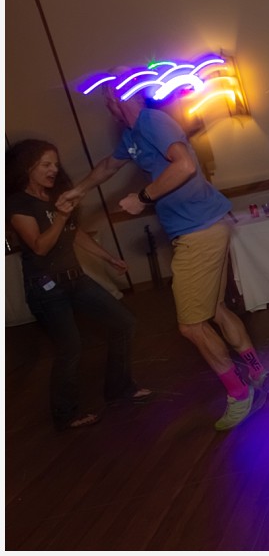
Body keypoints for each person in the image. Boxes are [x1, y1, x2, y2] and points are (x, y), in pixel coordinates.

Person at [59, 87, 269, 431]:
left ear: (121, 98)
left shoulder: (154, 122)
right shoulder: (132, 134)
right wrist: (78, 190)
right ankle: (258, 372)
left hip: (198, 233)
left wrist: (143, 197)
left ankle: (239, 394)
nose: (106, 103)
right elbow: (107, 166)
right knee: (216, 310)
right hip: (205, 227)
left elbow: (186, 165)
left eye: (108, 96)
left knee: (191, 326)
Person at [6, 139, 151, 431]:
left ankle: (119, 388)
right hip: (46, 288)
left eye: (55, 164)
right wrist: (60, 215)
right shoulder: (17, 203)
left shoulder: (54, 196)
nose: (53, 169)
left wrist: (109, 258)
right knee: (70, 348)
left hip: (75, 279)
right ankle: (65, 414)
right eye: (46, 164)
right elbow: (40, 247)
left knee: (123, 322)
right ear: (27, 167)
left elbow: (75, 233)